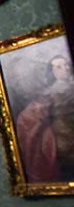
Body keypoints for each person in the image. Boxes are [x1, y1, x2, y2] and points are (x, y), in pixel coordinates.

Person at [16, 53, 74, 183]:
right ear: (52, 72)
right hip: (64, 139)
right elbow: (26, 118)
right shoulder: (50, 93)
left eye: (66, 65)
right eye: (59, 67)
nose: (65, 69)